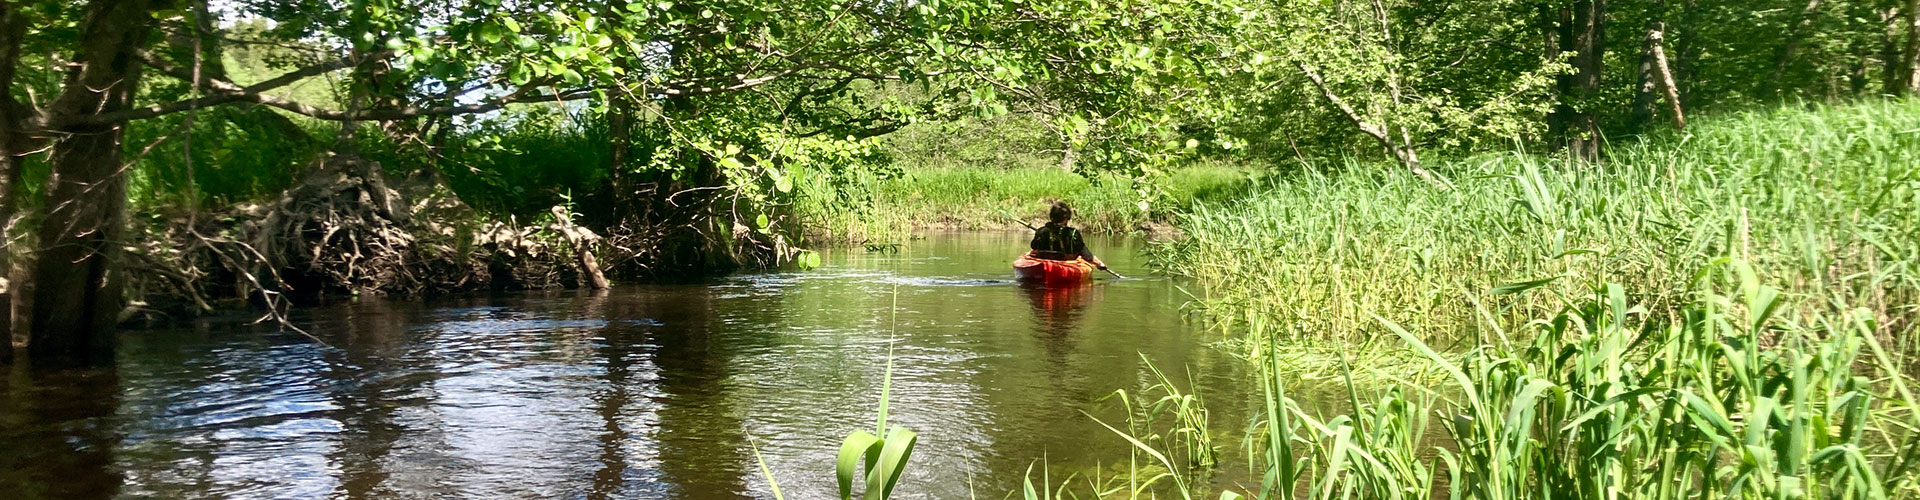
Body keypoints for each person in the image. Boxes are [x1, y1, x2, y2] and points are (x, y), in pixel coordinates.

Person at [1028, 201, 1107, 270]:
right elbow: (1086, 254)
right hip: (1066, 264)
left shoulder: (1041, 231)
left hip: (1044, 262)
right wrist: (1099, 264)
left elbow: (1033, 246)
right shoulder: (1073, 233)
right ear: (1066, 218)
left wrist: (1039, 234)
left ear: (1051, 216)